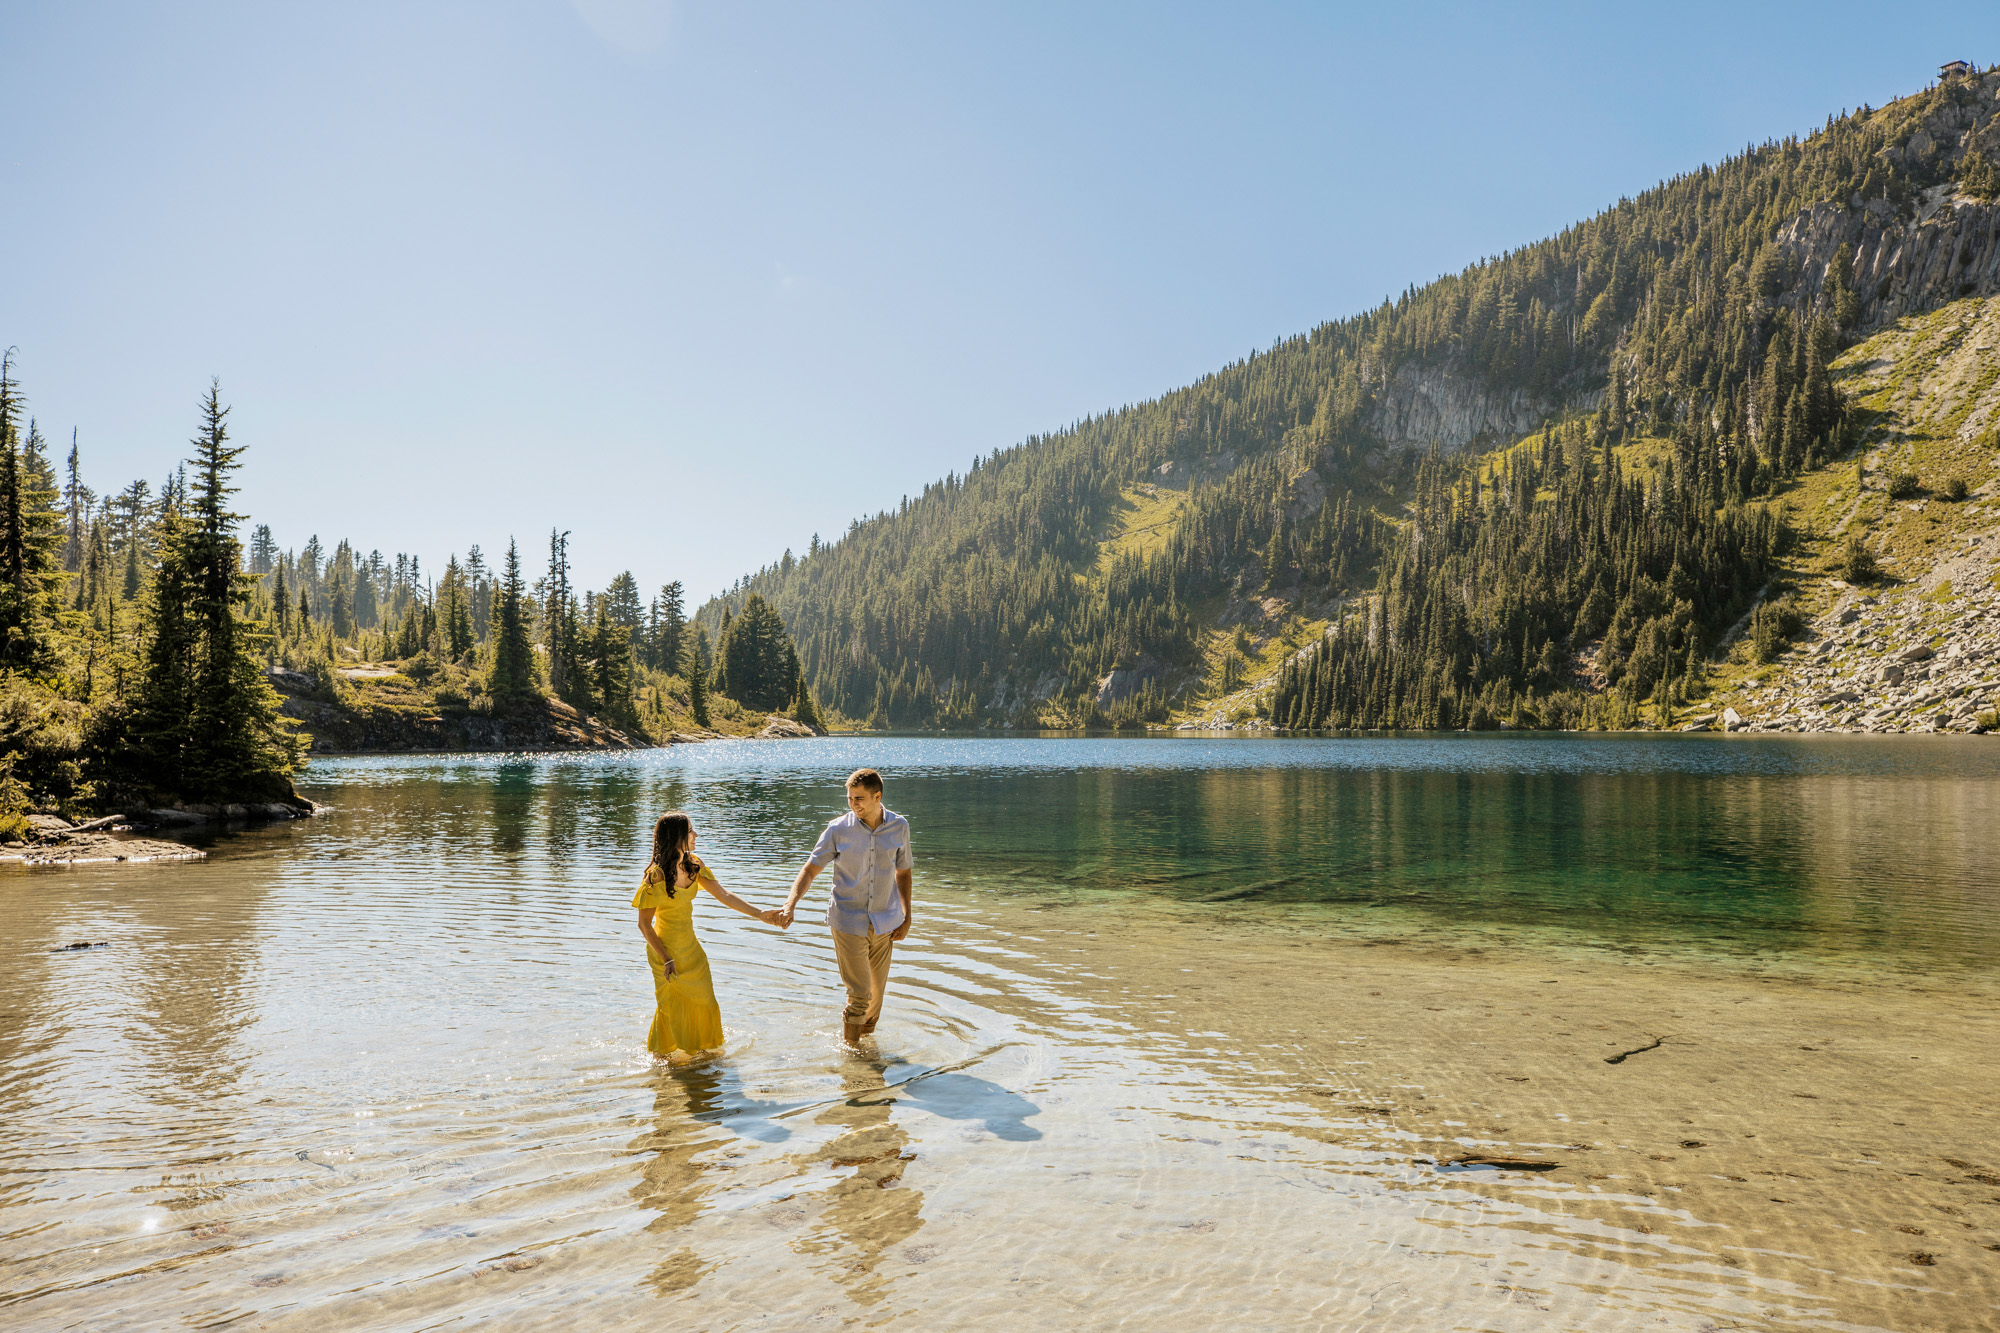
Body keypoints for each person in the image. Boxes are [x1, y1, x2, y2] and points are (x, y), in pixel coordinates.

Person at [634, 811, 784, 1060]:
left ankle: (701, 1056)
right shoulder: (656, 876)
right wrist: (666, 958)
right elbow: (644, 925)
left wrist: (760, 914)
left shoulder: (695, 864)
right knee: (669, 1007)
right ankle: (664, 1059)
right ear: (678, 836)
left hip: (691, 950)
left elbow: (724, 896)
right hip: (665, 953)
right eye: (690, 830)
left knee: (705, 1001)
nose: (695, 835)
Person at [779, 768, 913, 1045]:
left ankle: (864, 1051)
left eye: (860, 798)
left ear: (878, 796)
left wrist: (907, 916)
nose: (854, 804)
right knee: (860, 995)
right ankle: (852, 1060)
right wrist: (790, 904)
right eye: (850, 798)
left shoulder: (899, 827)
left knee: (875, 1000)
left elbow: (903, 872)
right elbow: (810, 870)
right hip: (847, 920)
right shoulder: (838, 829)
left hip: (885, 922)